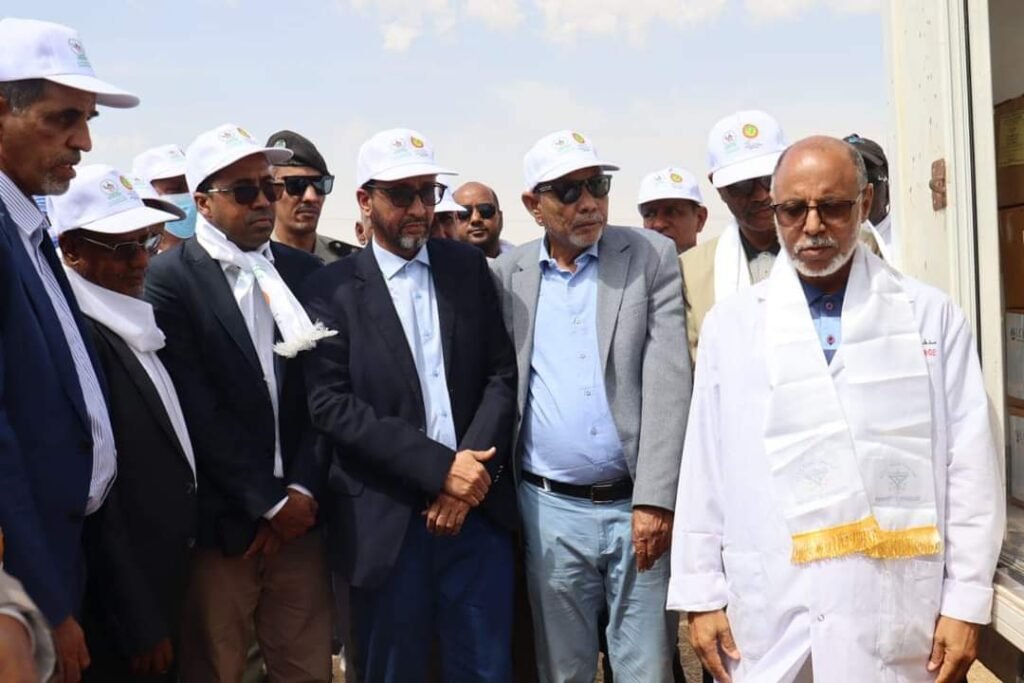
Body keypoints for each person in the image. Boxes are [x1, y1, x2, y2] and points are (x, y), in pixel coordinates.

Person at [669, 136, 1004, 683]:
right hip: (772, 599)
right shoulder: (732, 325)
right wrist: (700, 595)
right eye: (793, 209)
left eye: (833, 206)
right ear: (775, 211)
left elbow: (969, 466)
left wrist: (966, 601)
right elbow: (705, 465)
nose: (813, 225)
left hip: (891, 609)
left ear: (865, 203)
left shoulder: (929, 316)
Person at [301, 128, 518, 683]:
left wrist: (467, 477)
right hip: (386, 523)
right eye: (402, 195)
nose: (419, 209)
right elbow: (331, 404)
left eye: (427, 192)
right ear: (364, 200)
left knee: (484, 670)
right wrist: (440, 470)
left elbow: (499, 375)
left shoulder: (465, 269)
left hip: (476, 516)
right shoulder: (330, 290)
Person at [492, 130, 690, 682]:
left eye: (597, 185)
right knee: (563, 670)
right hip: (549, 510)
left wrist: (655, 500)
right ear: (533, 204)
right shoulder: (508, 275)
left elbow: (670, 382)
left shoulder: (649, 257)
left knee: (646, 670)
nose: (588, 202)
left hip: (636, 510)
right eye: (568, 190)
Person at [144, 123, 333, 682]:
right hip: (224, 528)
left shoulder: (303, 272)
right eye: (244, 191)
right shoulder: (170, 280)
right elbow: (195, 409)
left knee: (306, 669)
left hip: (303, 521)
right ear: (202, 202)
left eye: (268, 188)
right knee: (218, 667)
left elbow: (323, 395)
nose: (263, 203)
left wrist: (301, 492)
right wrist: (267, 504)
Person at [0, 17, 138, 683]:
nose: (83, 141)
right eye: (63, 119)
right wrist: (45, 602)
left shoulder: (28, 230)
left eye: (86, 120)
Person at [50, 165, 197, 682]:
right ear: (72, 250)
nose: (141, 261)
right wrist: (138, 620)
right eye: (122, 248)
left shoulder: (130, 321)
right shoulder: (80, 341)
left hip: (165, 584)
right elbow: (98, 501)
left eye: (147, 241)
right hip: (124, 613)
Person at [681, 110, 787, 360]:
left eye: (768, 179)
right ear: (718, 188)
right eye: (742, 185)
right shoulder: (690, 271)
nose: (760, 195)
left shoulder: (844, 248)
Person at [266, 129, 359, 263]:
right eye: (296, 184)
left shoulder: (350, 264)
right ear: (271, 190)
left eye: (320, 185)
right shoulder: (249, 263)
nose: (311, 197)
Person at [131, 144, 196, 252]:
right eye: (175, 190)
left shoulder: (215, 249)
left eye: (191, 187)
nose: (188, 195)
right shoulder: (135, 256)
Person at [845, 133, 895, 260]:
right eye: (846, 181)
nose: (859, 192)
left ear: (888, 191)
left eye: (869, 179)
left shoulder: (907, 243)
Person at [637, 167, 708, 254]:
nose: (659, 224)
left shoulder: (719, 262)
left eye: (672, 212)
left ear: (700, 219)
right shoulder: (630, 262)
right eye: (649, 214)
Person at [452, 181, 513, 258]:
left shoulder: (523, 261)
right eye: (464, 212)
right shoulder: (440, 263)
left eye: (485, 210)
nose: (475, 219)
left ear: (500, 218)